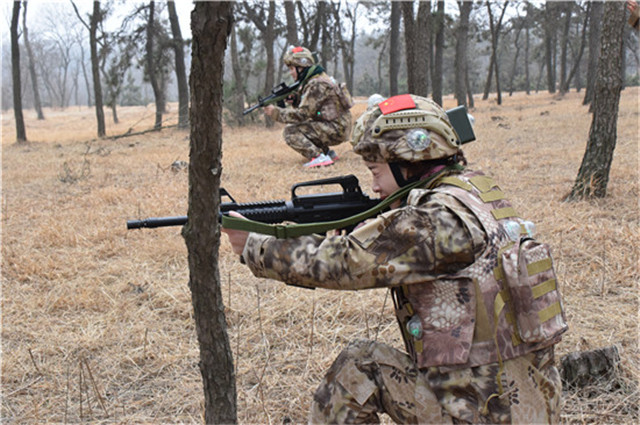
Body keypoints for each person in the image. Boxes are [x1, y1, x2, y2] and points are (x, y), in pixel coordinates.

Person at [223, 94, 568, 423]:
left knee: (359, 367)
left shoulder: (436, 219)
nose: (374, 187)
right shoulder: (478, 193)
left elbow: (343, 263)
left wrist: (255, 245)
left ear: (408, 163)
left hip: (482, 412)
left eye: (375, 170)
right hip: (524, 406)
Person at [264, 46, 353, 168]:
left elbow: (302, 115)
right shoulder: (318, 79)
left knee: (290, 131)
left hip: (336, 128)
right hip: (338, 126)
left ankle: (318, 157)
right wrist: (295, 100)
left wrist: (276, 112)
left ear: (301, 67)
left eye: (291, 69)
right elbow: (314, 109)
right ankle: (328, 153)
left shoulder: (316, 84)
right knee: (305, 125)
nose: (290, 73)